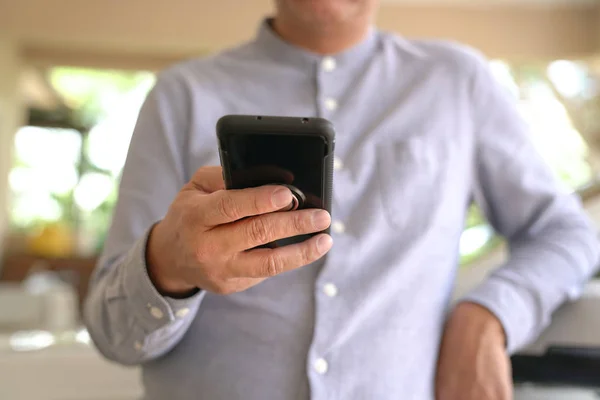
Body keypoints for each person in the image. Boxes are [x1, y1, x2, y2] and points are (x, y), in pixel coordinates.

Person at [84, 1, 599, 399]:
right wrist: (168, 265)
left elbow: (568, 233)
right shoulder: (180, 95)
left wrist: (489, 314)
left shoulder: (458, 82)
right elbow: (112, 335)